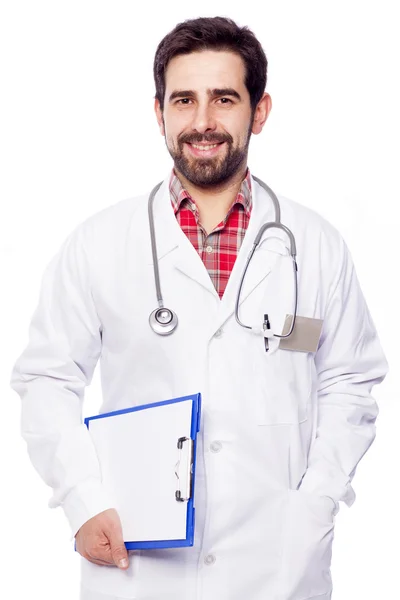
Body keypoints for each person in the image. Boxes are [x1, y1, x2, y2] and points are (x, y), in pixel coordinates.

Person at [10, 15, 388, 600]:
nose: (203, 122)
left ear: (259, 112)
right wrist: (83, 500)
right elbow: (48, 378)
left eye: (224, 99)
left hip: (277, 565)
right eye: (183, 100)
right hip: (138, 561)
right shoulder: (100, 243)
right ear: (159, 112)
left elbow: (348, 379)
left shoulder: (313, 247)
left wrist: (316, 502)